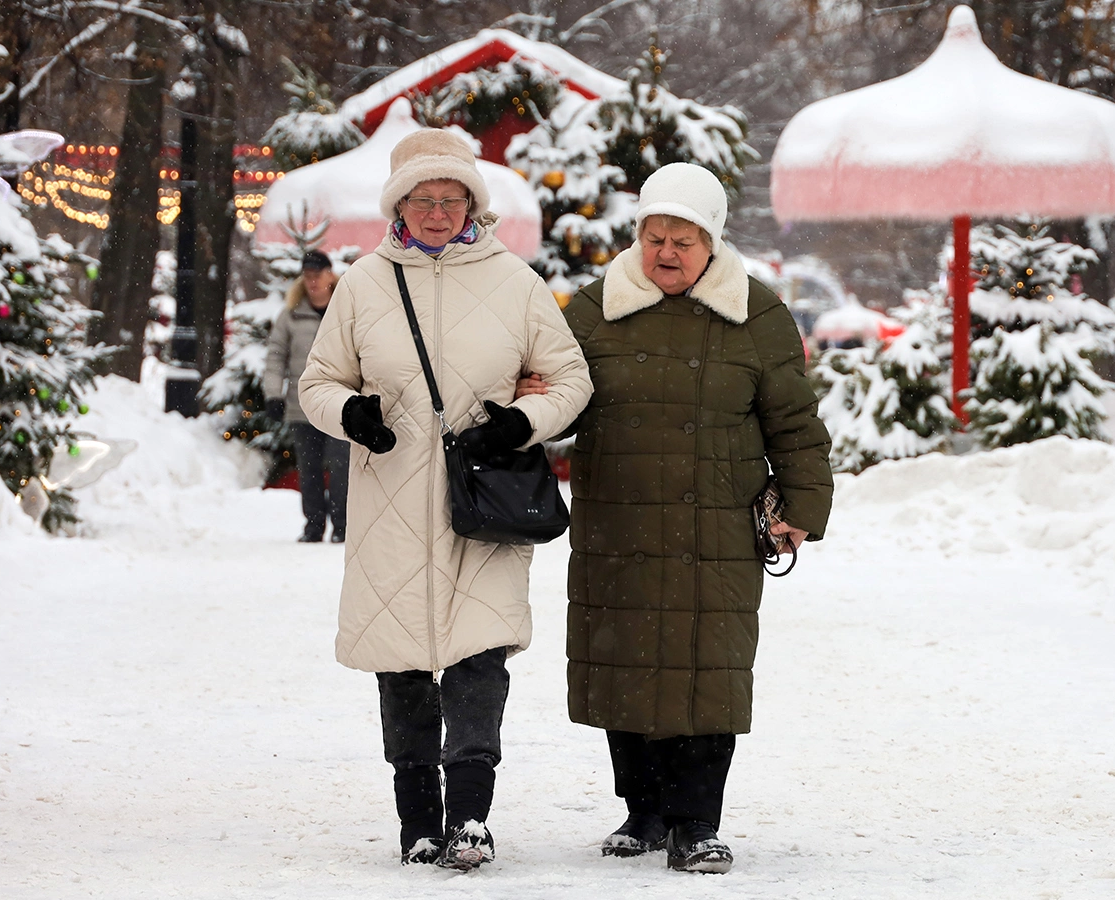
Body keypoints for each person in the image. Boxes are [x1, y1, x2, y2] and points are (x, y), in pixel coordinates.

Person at [526, 162, 833, 874]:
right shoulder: (595, 308)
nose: (666, 252)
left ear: (713, 242)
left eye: (683, 241)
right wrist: (529, 390)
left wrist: (803, 508)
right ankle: (643, 809)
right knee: (627, 666)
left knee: (706, 672)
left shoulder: (756, 315)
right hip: (620, 522)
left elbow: (794, 423)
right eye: (655, 236)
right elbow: (557, 393)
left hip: (716, 528)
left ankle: (696, 823)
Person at [297, 128, 592, 871]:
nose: (437, 212)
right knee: (400, 665)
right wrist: (350, 415)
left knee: (479, 661)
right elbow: (319, 383)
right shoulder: (364, 283)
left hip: (481, 507)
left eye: (451, 198)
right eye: (422, 199)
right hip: (389, 507)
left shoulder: (515, 282)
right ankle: (417, 823)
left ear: (472, 204)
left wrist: (522, 423)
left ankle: (469, 819)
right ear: (399, 204)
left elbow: (572, 380)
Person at [264, 250, 347, 543]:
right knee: (309, 469)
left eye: (318, 275)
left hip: (339, 404)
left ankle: (342, 526)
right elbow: (276, 357)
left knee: (341, 467)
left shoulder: (345, 309)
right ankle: (313, 525)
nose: (313, 282)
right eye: (308, 276)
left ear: (330, 275)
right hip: (301, 406)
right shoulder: (291, 316)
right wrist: (274, 395)